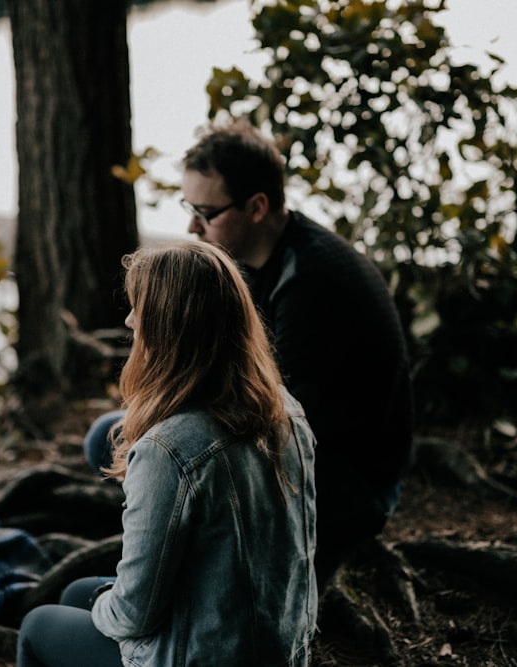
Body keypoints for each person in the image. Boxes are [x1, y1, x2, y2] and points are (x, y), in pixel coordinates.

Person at [86, 121, 413, 589]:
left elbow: (276, 422)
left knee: (133, 441)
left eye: (206, 212)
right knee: (113, 436)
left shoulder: (311, 283)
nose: (191, 227)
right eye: (188, 208)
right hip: (299, 448)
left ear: (257, 206)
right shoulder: (257, 261)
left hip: (342, 484)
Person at [18, 241, 317, 667]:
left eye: (139, 307)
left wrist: (109, 601)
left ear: (169, 327)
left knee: (38, 625)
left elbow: (131, 615)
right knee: (74, 593)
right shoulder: (285, 409)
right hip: (277, 649)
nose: (128, 319)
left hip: (206, 657)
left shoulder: (168, 450)